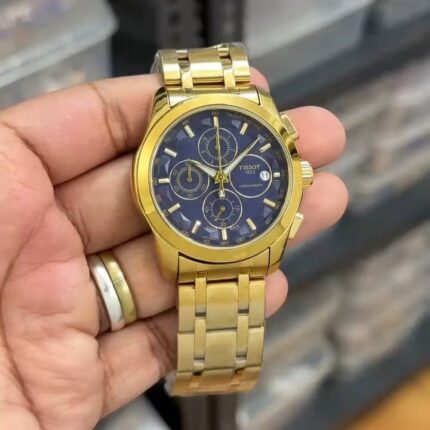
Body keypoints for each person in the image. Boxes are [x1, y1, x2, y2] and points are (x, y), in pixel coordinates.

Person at [0, 70, 348, 429]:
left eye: (226, 174)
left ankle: (215, 370)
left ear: (298, 174)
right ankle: (212, 371)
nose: (221, 178)